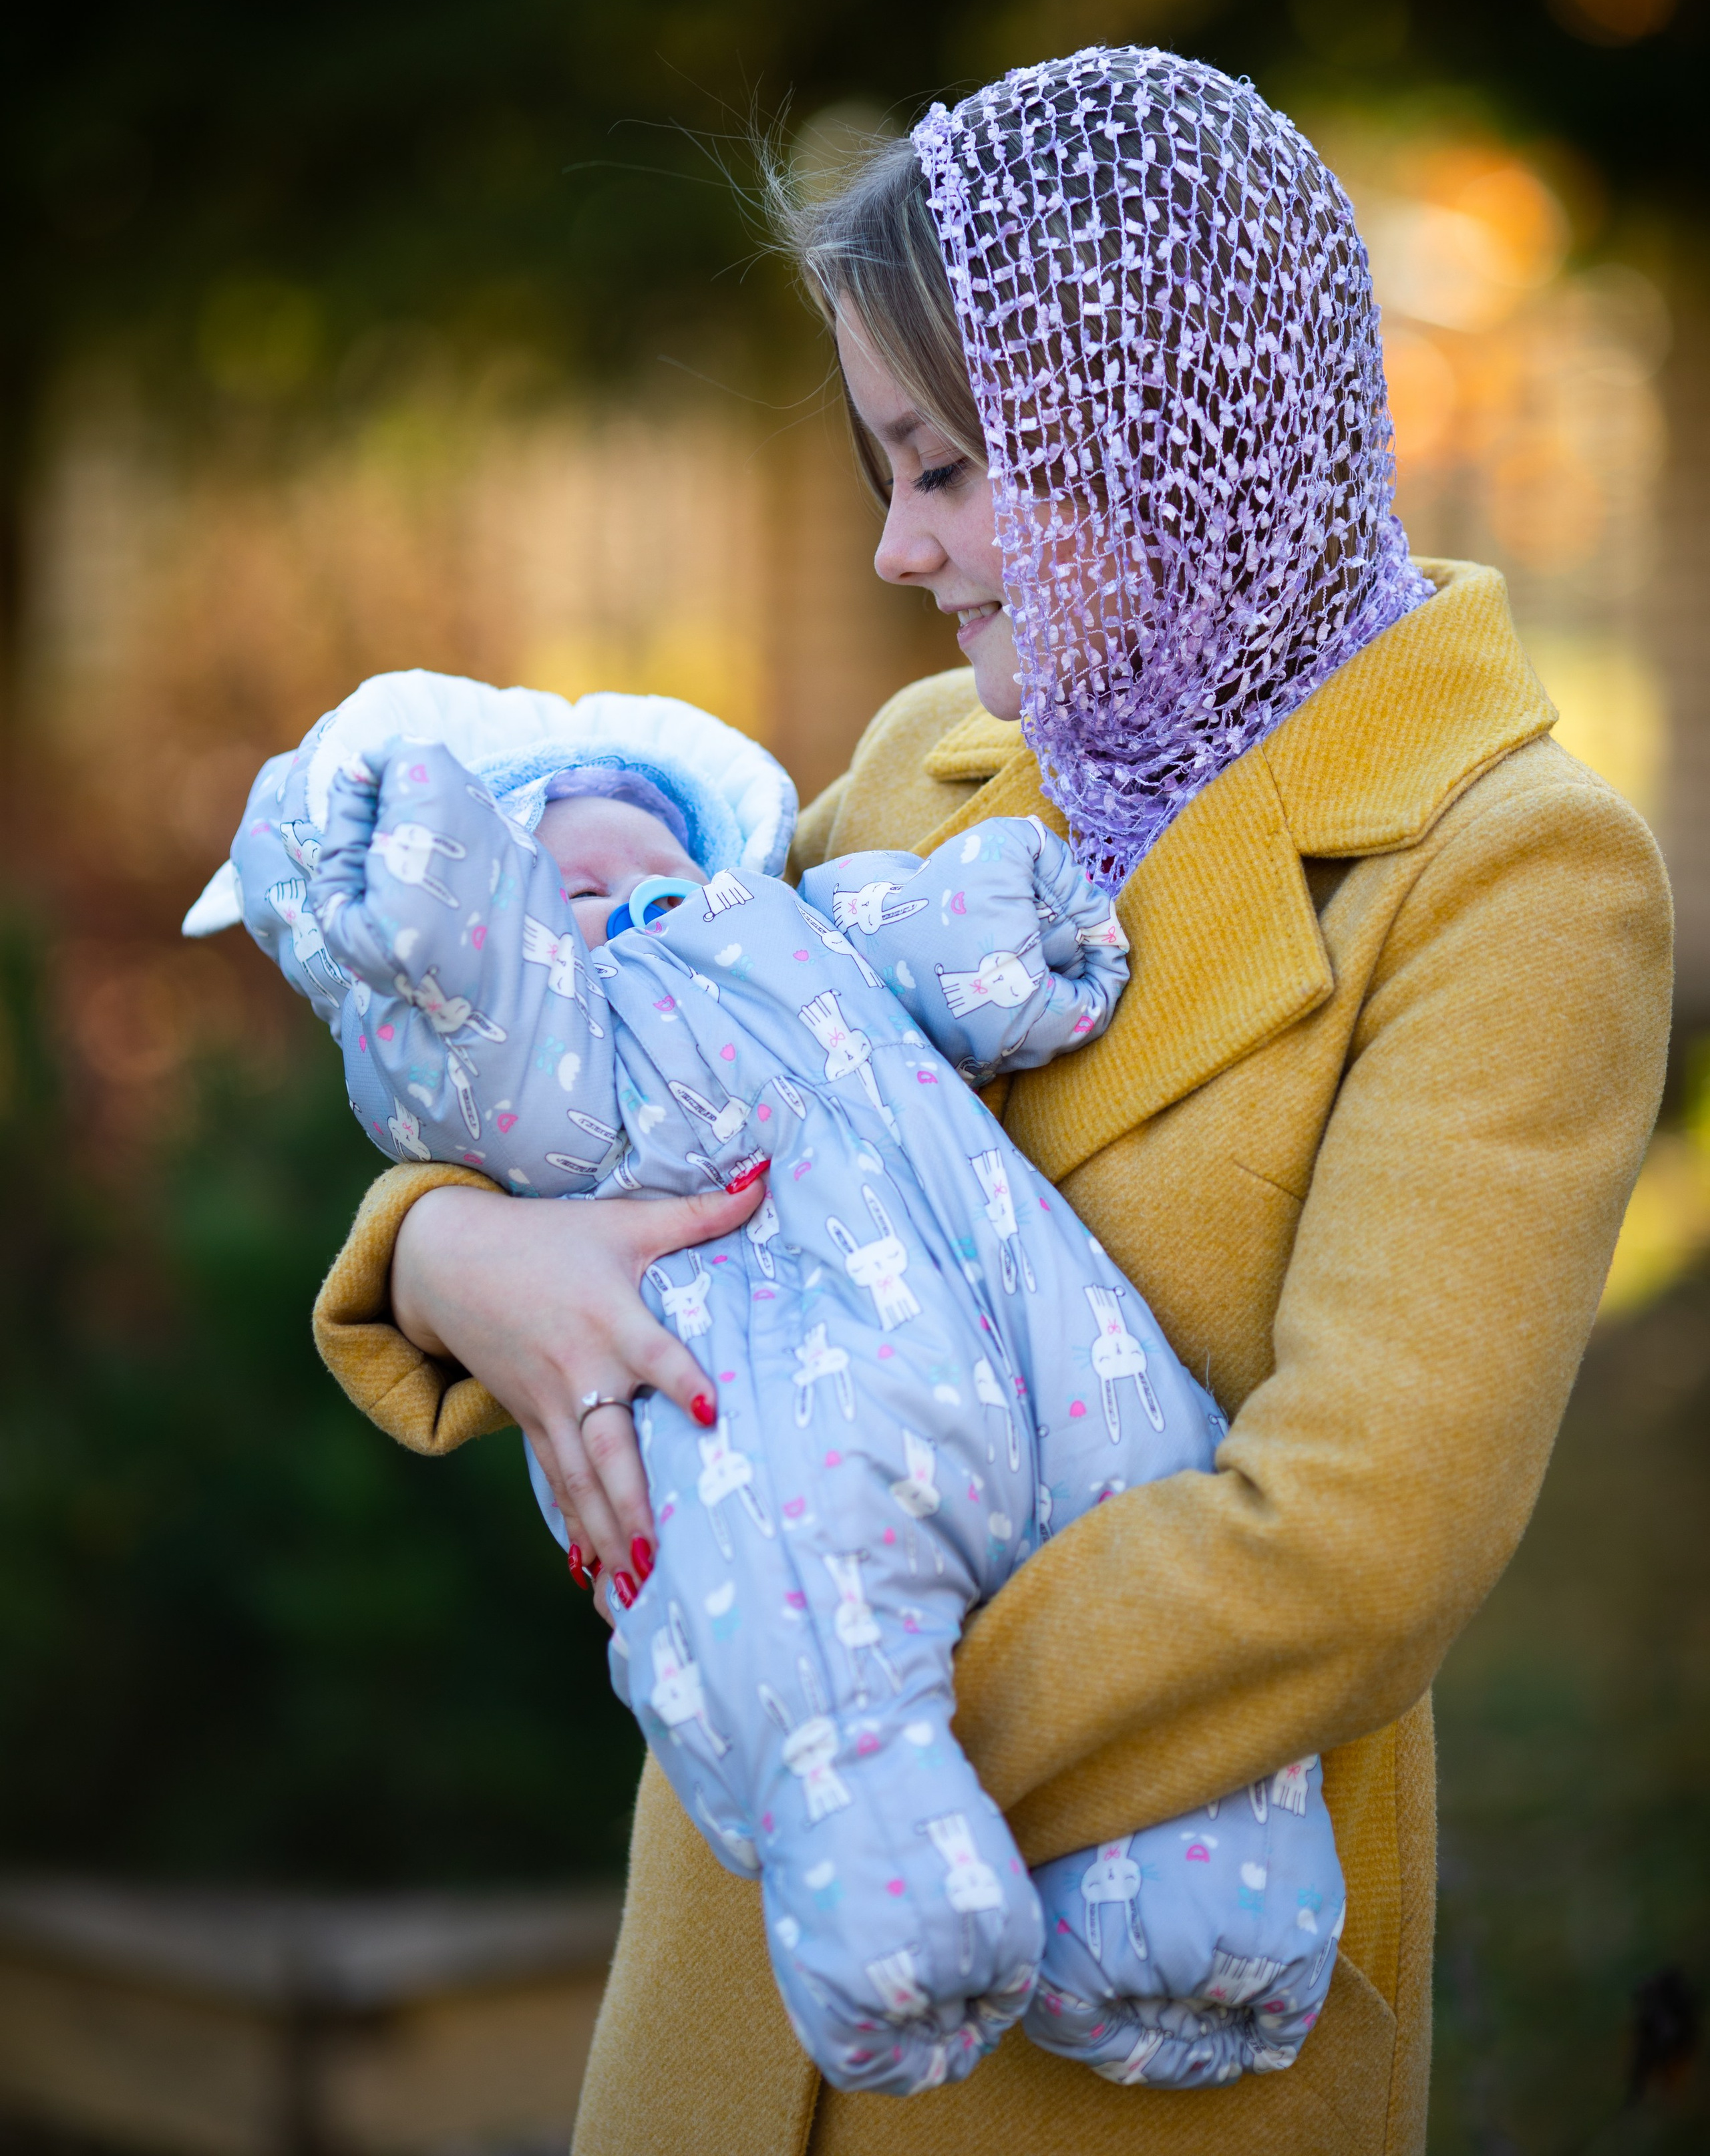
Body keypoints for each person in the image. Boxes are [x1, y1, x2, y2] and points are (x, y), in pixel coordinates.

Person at [306, 48, 1672, 2155]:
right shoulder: (938, 759)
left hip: (1123, 2033)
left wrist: (845, 1748)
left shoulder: (1512, 878)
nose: (893, 548)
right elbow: (640, 1063)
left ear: (1158, 424)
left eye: (947, 470)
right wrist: (461, 1252)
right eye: (882, 466)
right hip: (724, 2020)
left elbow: (1357, 1544)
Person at [206, 665, 1344, 2087]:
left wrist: (1009, 927)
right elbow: (480, 1074)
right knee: (812, 1623)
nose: (629, 891)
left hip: (1041, 1333)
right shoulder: (570, 1032)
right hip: (785, 1395)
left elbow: (925, 932)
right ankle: (896, 1927)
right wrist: (444, 1230)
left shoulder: (779, 915)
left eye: (657, 853)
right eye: (561, 888)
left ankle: (1200, 1914)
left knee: (1147, 1479)